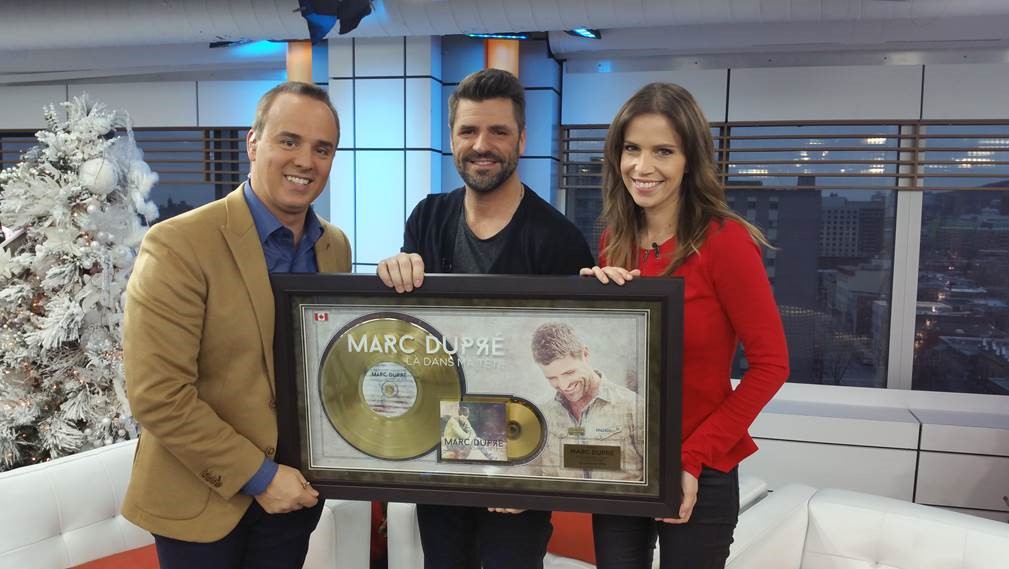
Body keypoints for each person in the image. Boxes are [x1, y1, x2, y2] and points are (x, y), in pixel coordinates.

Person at [121, 82, 350, 569]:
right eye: (289, 140)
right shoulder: (179, 243)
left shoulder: (334, 247)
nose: (305, 160)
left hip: (294, 500)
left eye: (322, 148)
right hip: (202, 503)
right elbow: (157, 393)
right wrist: (261, 477)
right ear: (253, 143)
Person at [377, 68, 594, 569]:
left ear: (521, 139)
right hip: (440, 441)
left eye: (498, 131)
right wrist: (393, 273)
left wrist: (535, 474)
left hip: (521, 445)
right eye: (468, 131)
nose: (482, 145)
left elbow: (569, 367)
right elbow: (408, 333)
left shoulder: (558, 238)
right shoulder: (428, 218)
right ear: (452, 139)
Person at [582, 82, 789, 568]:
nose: (642, 166)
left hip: (700, 462)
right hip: (625, 458)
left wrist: (694, 456)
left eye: (663, 151)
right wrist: (591, 311)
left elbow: (772, 365)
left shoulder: (725, 241)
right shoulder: (614, 241)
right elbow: (619, 366)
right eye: (631, 149)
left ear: (690, 159)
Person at [530, 322, 642, 481]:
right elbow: (538, 478)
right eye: (552, 378)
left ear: (585, 354)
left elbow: (657, 477)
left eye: (569, 372)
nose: (564, 385)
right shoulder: (543, 414)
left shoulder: (634, 407)